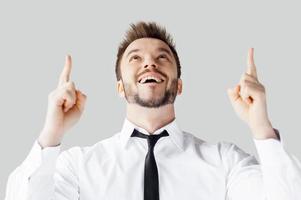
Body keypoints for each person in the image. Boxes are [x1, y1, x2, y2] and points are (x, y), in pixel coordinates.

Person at [5, 21, 301, 200]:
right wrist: (51, 134)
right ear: (120, 87)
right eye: (135, 58)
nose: (150, 63)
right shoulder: (79, 166)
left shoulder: (224, 162)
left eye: (162, 57)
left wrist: (261, 128)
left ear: (179, 85)